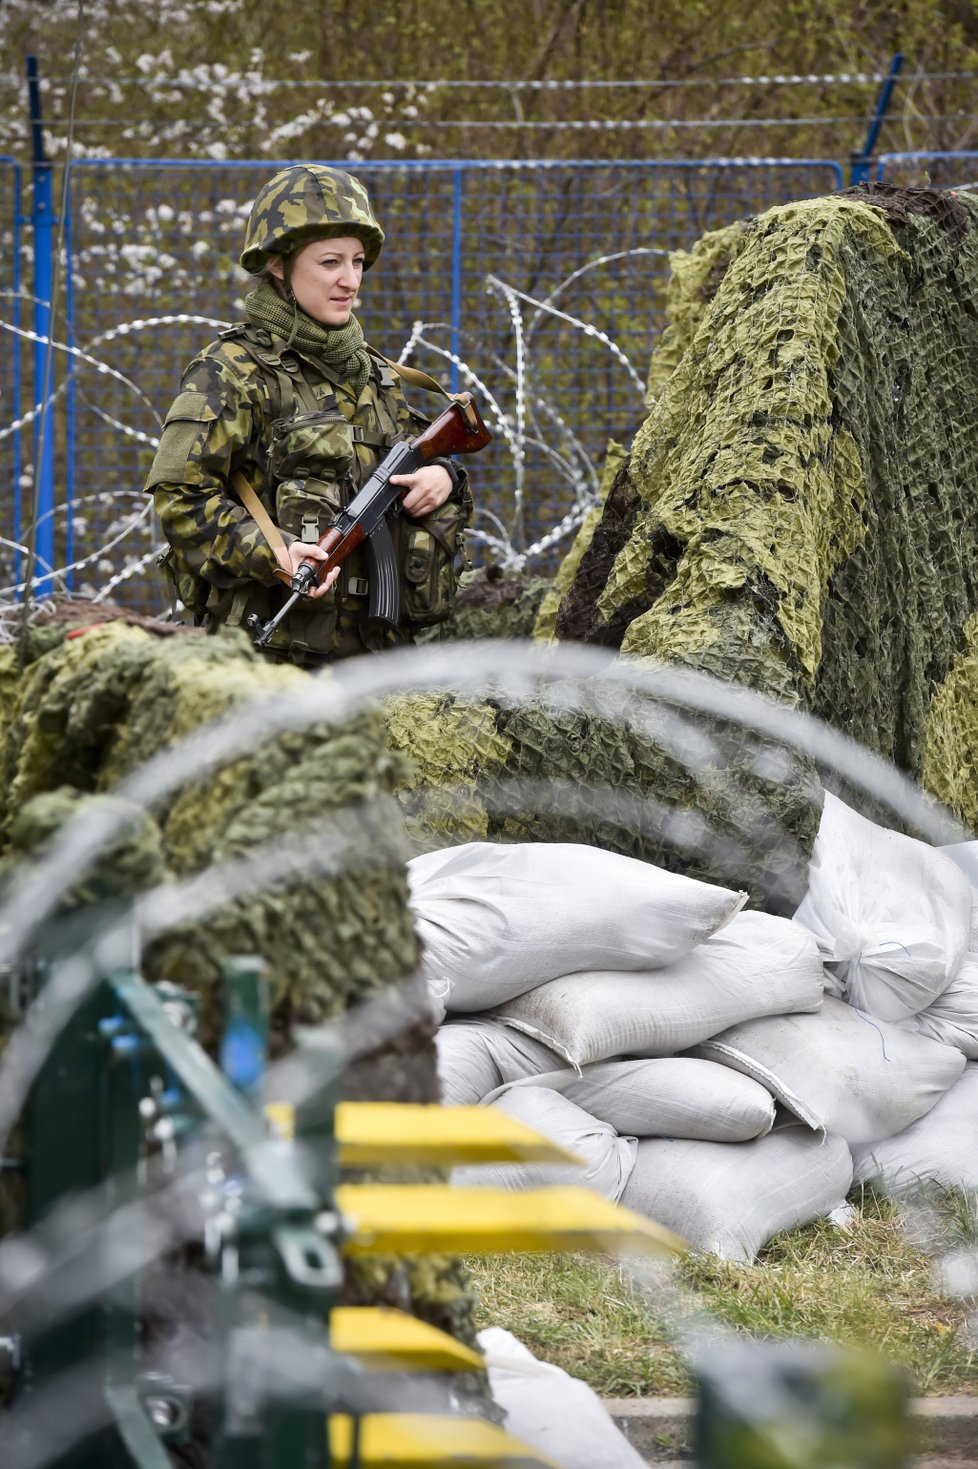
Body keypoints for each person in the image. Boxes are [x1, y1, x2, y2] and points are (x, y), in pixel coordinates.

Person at [145, 164, 472, 664]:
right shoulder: (231, 371)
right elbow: (179, 498)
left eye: (358, 262)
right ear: (279, 264)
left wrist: (444, 478)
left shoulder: (374, 375)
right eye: (329, 262)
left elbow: (420, 460)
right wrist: (271, 553)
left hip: (382, 662)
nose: (350, 280)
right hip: (273, 659)